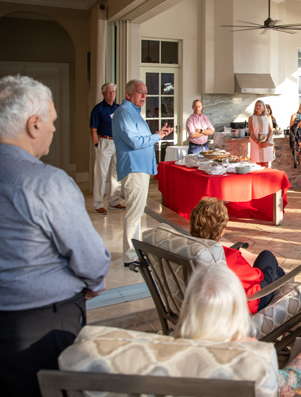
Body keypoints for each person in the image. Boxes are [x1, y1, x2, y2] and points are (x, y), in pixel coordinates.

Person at [0, 75, 111, 397]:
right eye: (51, 122)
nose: (53, 129)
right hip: (39, 328)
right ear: (34, 124)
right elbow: (91, 260)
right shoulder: (46, 183)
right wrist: (92, 284)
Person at [176, 263, 301, 397]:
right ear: (237, 310)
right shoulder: (253, 355)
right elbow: (292, 385)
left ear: (186, 306)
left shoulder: (159, 350)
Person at [113, 79, 173, 267]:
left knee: (137, 213)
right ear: (128, 94)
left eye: (145, 92)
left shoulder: (134, 113)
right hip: (134, 168)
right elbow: (135, 142)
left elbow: (140, 138)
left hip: (141, 167)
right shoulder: (124, 113)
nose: (144, 96)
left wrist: (157, 134)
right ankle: (130, 256)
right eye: (140, 92)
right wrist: (157, 136)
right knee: (134, 213)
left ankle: (135, 251)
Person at [189, 198, 283, 313]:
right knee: (267, 256)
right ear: (221, 230)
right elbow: (256, 276)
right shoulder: (226, 256)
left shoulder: (189, 250)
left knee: (276, 270)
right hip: (248, 303)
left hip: (206, 300)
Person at [90, 82, 124, 215]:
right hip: (104, 142)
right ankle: (98, 203)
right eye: (109, 92)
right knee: (101, 174)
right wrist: (97, 145)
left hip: (118, 143)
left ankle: (114, 201)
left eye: (113, 92)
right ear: (103, 93)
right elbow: (93, 129)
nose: (111, 94)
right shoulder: (98, 109)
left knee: (116, 174)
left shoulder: (119, 108)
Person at [249, 99, 274, 167]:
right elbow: (251, 132)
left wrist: (267, 141)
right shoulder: (251, 118)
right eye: (256, 105)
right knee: (257, 164)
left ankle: (266, 177)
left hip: (266, 142)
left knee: (266, 163)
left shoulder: (268, 117)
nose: (258, 107)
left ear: (263, 107)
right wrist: (257, 142)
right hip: (255, 143)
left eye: (260, 105)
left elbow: (271, 131)